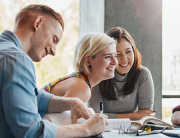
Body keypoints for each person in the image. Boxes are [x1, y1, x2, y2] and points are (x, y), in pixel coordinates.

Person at [0, 4, 108, 137]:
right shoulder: (17, 59)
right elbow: (32, 133)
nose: (53, 51)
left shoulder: (5, 53)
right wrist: (87, 129)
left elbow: (29, 96)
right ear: (38, 23)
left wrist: (71, 102)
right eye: (54, 39)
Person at [88, 27, 155, 120]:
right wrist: (134, 115)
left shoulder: (143, 74)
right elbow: (93, 116)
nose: (124, 59)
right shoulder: (99, 74)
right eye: (117, 54)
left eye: (128, 52)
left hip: (133, 130)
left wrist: (109, 116)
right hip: (106, 129)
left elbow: (146, 115)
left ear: (134, 51)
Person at [41, 33, 117, 103]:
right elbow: (49, 117)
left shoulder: (79, 80)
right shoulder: (81, 88)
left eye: (115, 55)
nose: (115, 62)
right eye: (107, 57)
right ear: (88, 61)